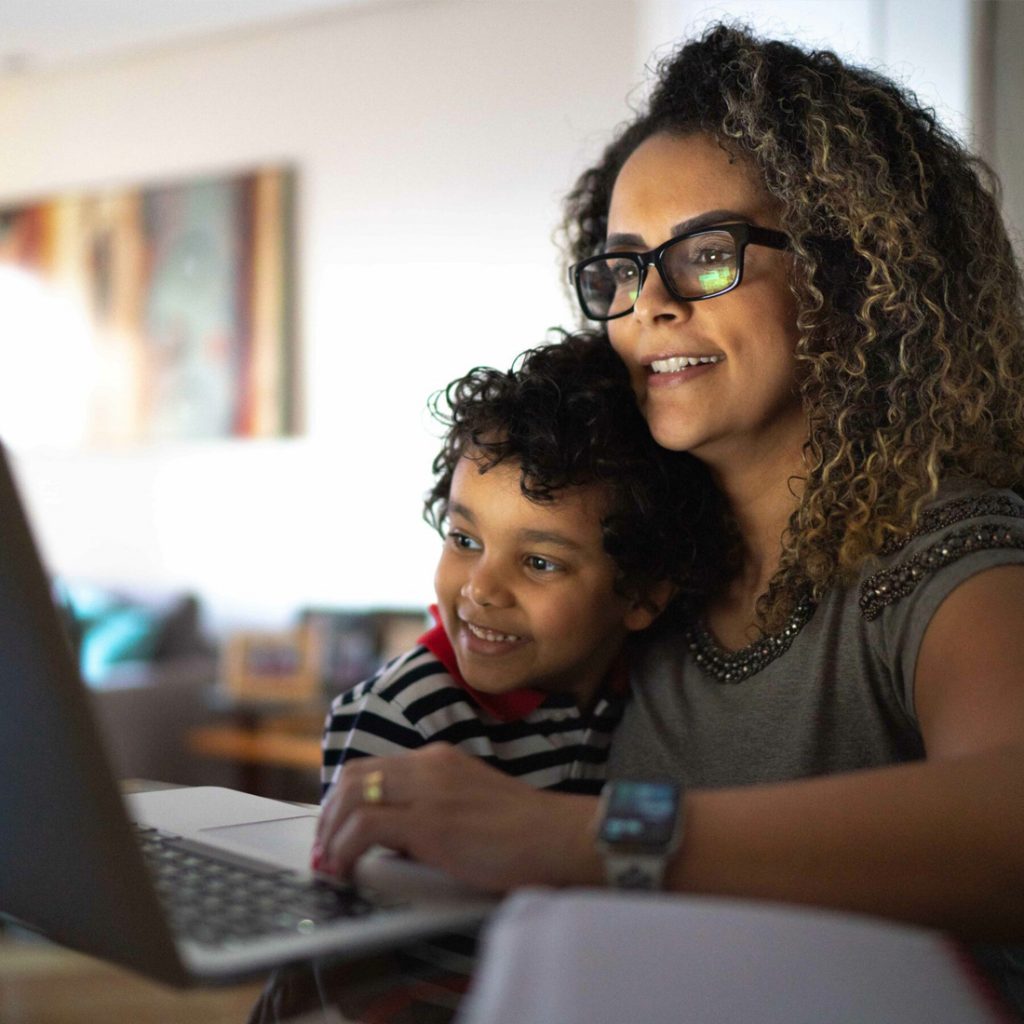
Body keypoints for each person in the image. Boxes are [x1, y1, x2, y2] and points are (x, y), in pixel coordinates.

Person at [313, 22, 1024, 1012]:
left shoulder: (952, 561)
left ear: (851, 279)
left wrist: (582, 839)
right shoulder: (643, 567)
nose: (646, 301)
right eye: (619, 266)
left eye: (709, 254)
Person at [316, 333, 714, 828]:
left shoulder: (656, 692)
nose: (480, 589)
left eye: (539, 563)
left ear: (644, 595)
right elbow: (363, 882)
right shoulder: (404, 716)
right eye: (465, 540)